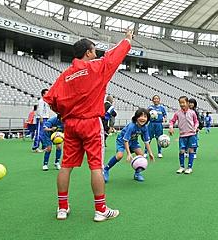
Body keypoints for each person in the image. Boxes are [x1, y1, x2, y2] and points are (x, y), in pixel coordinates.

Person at [43, 30, 133, 221]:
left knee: (66, 166)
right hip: (91, 123)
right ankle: (100, 210)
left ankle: (62, 208)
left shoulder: (66, 75)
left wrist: (63, 113)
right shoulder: (97, 67)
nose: (96, 54)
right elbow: (114, 57)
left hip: (71, 124)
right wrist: (127, 40)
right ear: (88, 53)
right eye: (94, 51)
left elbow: (51, 99)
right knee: (96, 167)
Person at [103, 108, 153, 182]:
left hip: (133, 142)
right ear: (136, 117)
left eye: (145, 116)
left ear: (148, 119)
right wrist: (129, 153)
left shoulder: (145, 127)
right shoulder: (131, 126)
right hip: (122, 141)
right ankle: (106, 169)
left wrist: (150, 153)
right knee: (119, 156)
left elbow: (146, 141)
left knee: (141, 155)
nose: (143, 118)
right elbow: (125, 140)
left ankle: (137, 174)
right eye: (140, 116)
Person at [169, 96, 199, 174]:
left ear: (187, 103)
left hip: (192, 134)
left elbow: (196, 122)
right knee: (182, 151)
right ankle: (182, 166)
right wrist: (171, 128)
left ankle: (189, 167)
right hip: (182, 135)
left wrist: (195, 128)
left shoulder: (192, 112)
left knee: (191, 150)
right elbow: (172, 121)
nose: (182, 104)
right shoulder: (177, 113)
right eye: (180, 103)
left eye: (183, 102)